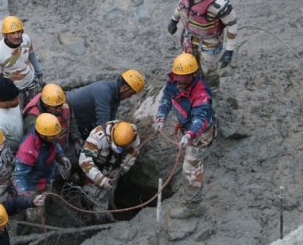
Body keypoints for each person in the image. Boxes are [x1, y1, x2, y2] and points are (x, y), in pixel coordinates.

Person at [154, 53, 216, 219]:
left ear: (193, 75)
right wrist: (161, 117)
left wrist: (190, 135)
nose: (179, 82)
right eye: (177, 78)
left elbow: (201, 119)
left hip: (200, 133)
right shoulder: (174, 81)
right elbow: (167, 98)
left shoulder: (201, 94)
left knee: (191, 169)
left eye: (183, 79)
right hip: (186, 125)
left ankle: (194, 206)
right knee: (189, 163)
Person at [166, 0, 239, 91]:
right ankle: (191, 87)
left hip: (211, 40)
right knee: (189, 63)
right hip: (190, 36)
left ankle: (212, 90)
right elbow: (182, 6)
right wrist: (174, 20)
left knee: (209, 69)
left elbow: (232, 24)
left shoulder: (219, 3)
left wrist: (229, 51)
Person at [14, 113, 70, 223]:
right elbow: (18, 177)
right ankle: (35, 229)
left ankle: (47, 209)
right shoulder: (27, 150)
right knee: (35, 216)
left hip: (46, 179)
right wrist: (28, 198)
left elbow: (55, 146)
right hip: (32, 187)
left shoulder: (50, 138)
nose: (57, 137)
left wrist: (62, 157)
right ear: (43, 135)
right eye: (54, 136)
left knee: (47, 200)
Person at [78, 120, 141, 216]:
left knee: (108, 194)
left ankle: (108, 206)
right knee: (94, 195)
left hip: (113, 168)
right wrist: (100, 179)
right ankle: (95, 214)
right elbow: (84, 161)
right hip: (95, 169)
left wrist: (121, 170)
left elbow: (133, 153)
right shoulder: (96, 137)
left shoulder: (131, 134)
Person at [66, 69, 145, 139]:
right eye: (130, 94)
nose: (129, 97)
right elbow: (103, 124)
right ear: (124, 88)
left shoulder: (116, 95)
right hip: (65, 113)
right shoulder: (104, 91)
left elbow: (111, 121)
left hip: (79, 119)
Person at [0, 15, 44, 109]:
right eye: (12, 33)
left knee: (36, 107)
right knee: (19, 113)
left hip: (31, 79)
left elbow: (32, 55)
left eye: (19, 32)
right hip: (14, 89)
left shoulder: (26, 39)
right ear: (5, 35)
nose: (17, 36)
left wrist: (39, 73)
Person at [22, 83, 82, 166]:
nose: (60, 109)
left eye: (61, 106)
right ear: (46, 105)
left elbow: (71, 119)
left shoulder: (63, 102)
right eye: (56, 107)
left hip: (64, 146)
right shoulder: (33, 120)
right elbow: (32, 148)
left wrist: (76, 139)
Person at [0, 78, 24, 153]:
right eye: (13, 100)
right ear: (3, 102)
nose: (18, 101)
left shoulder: (6, 98)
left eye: (17, 97)